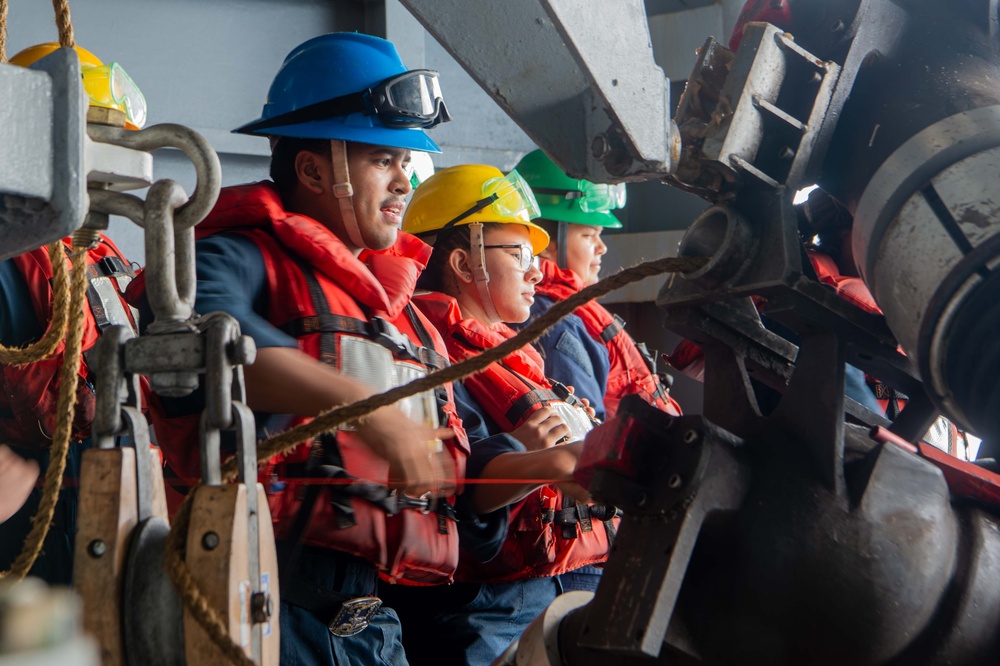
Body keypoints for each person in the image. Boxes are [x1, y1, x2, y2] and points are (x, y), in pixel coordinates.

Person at [135, 32, 471, 665]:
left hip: (372, 628)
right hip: (257, 612)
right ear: (315, 170)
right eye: (383, 161)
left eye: (408, 164)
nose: (405, 183)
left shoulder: (382, 311)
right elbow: (203, 334)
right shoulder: (235, 255)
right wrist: (366, 409)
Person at [383, 164, 610, 666]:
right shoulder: (426, 358)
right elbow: (453, 494)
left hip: (541, 590)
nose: (537, 269)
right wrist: (531, 454)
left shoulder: (514, 354)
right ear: (464, 264)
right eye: (521, 253)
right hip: (479, 610)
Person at [0, 43, 147, 584]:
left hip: (113, 519)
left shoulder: (100, 257)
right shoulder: (7, 256)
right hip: (30, 535)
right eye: (94, 139)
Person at [508, 149, 683, 594]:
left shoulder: (556, 313)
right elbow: (584, 428)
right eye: (590, 233)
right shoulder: (556, 322)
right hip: (582, 549)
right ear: (546, 235)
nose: (602, 247)